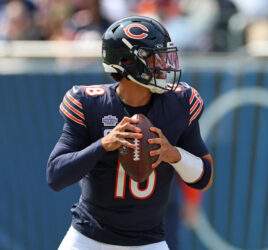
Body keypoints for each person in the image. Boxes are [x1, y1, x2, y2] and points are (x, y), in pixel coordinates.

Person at [47, 15, 213, 250]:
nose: (164, 65)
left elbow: (204, 177)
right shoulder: (90, 103)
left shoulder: (180, 103)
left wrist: (174, 154)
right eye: (155, 58)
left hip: (148, 242)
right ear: (127, 62)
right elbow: (55, 176)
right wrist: (103, 144)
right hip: (87, 239)